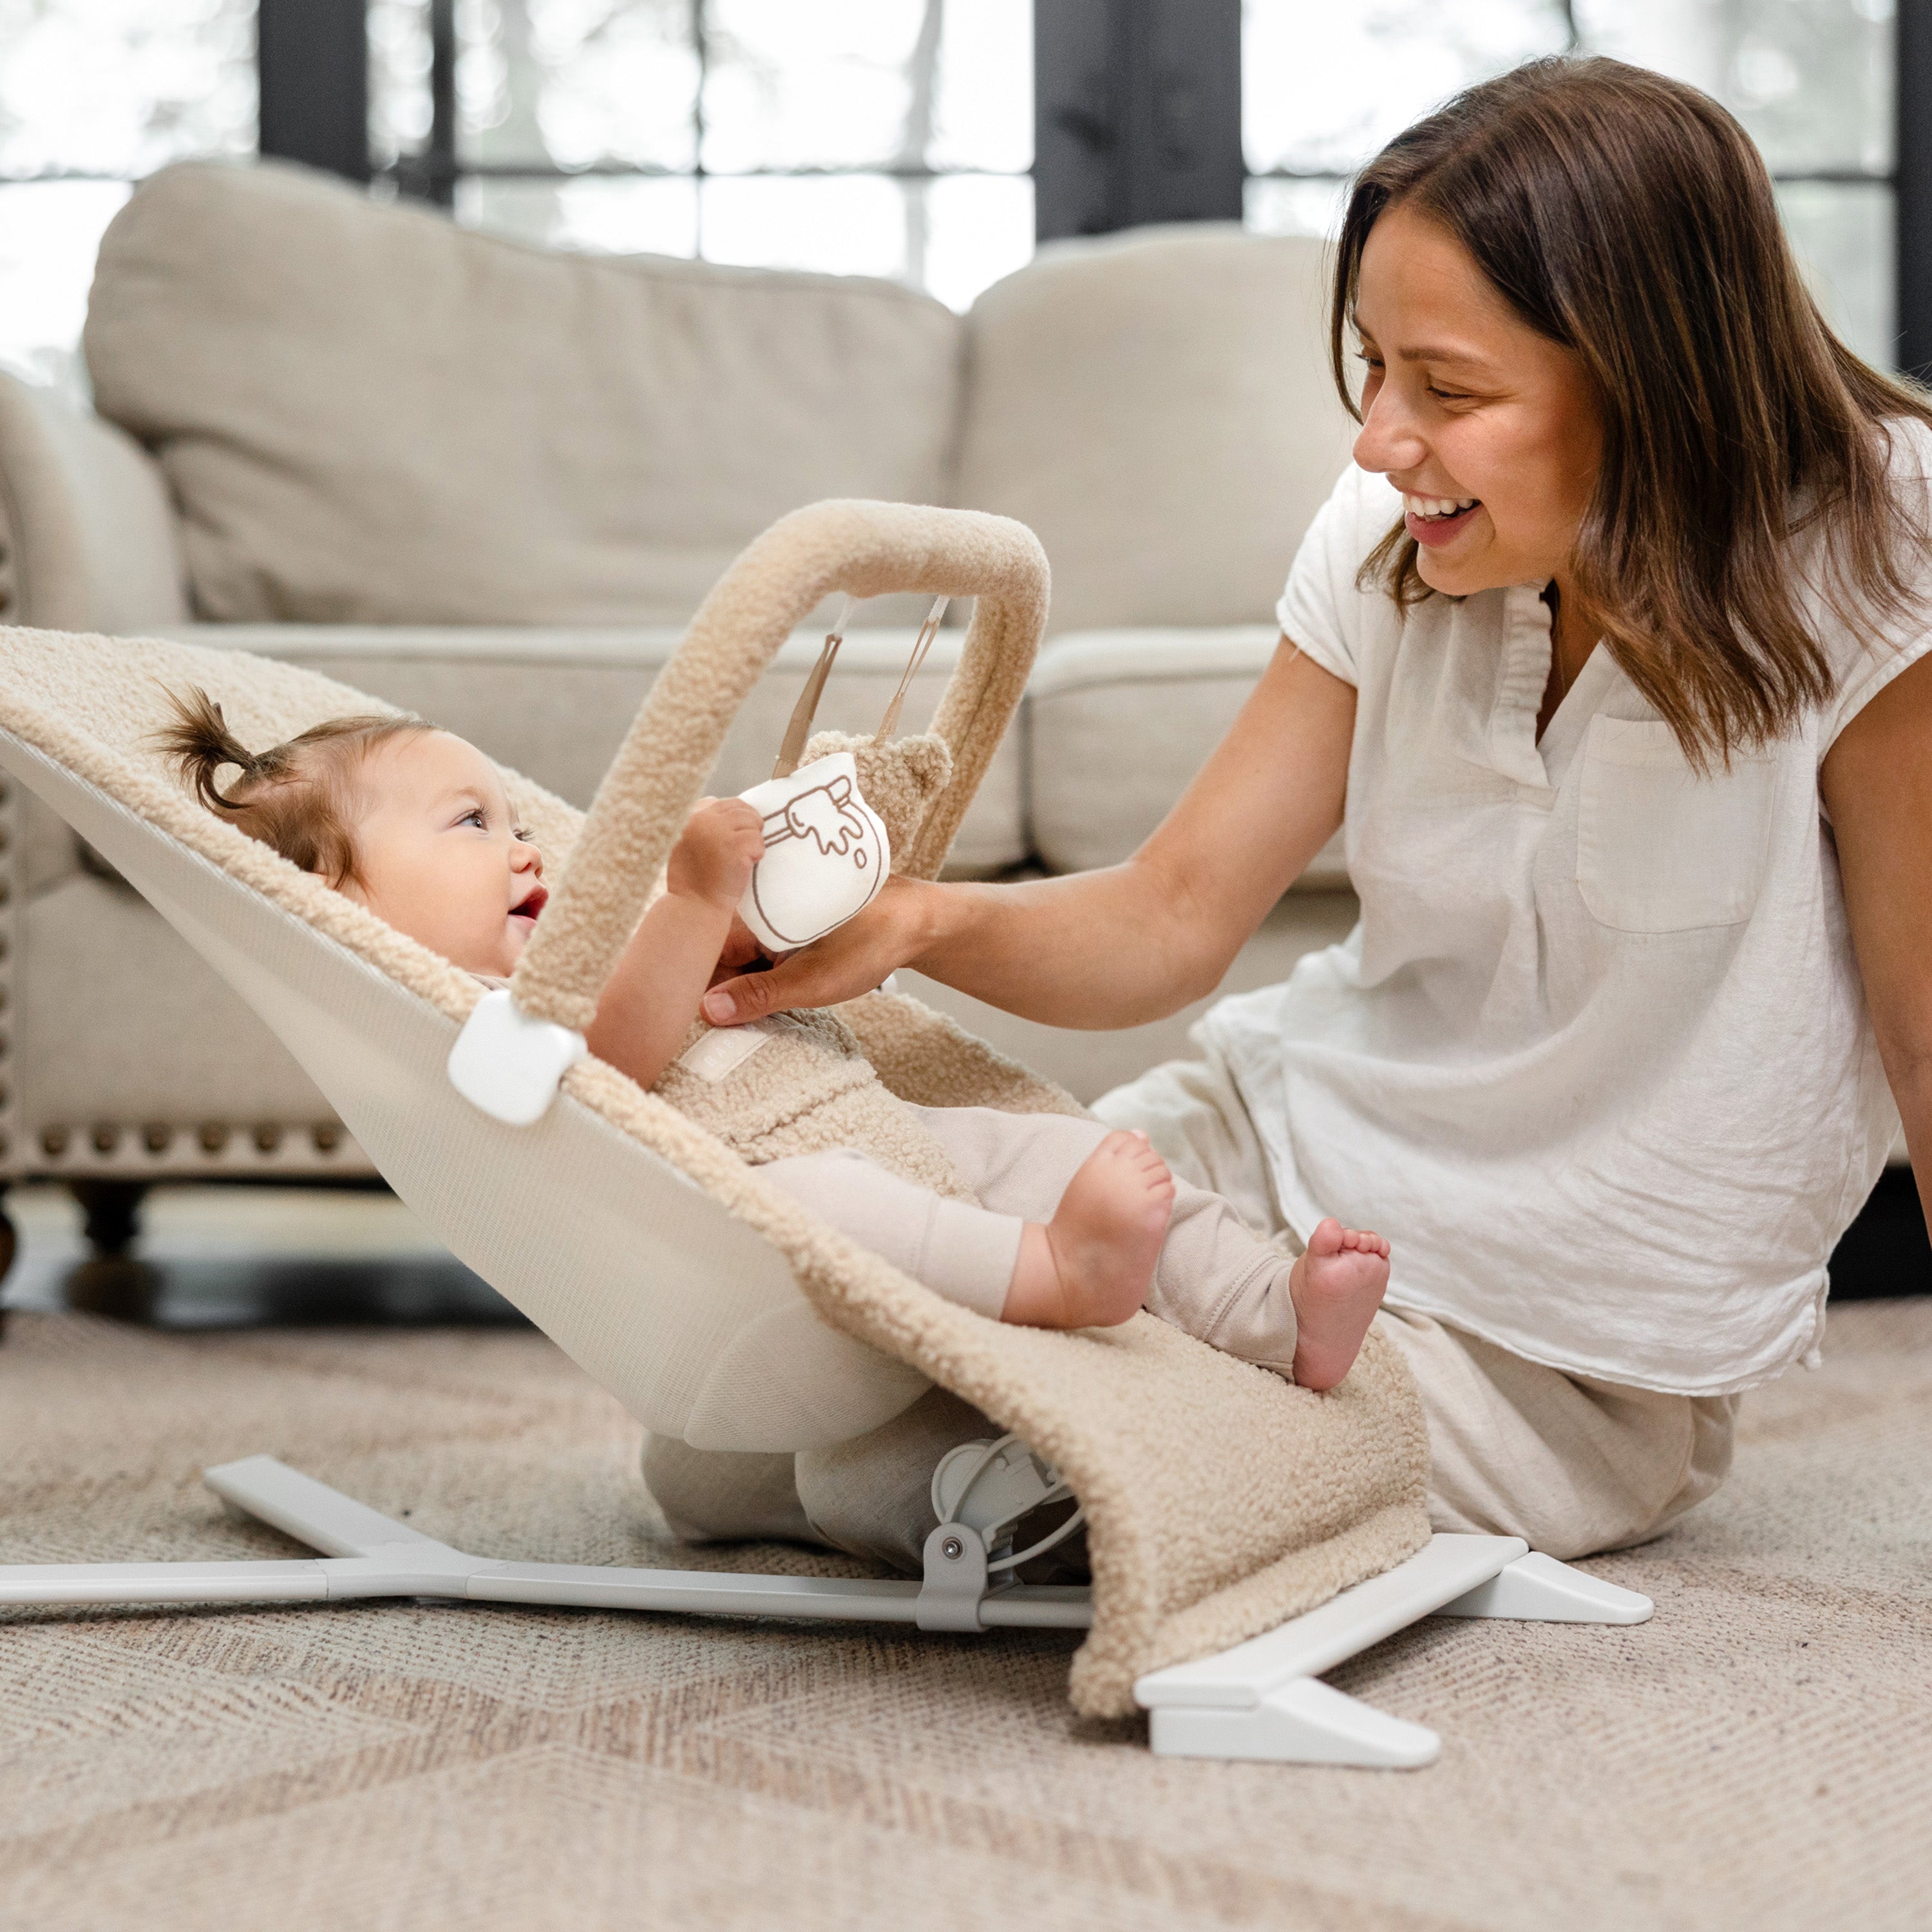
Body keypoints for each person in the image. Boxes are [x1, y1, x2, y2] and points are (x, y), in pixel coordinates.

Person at [693, 56, 1932, 1566]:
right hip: (1267, 1149)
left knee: (897, 1476)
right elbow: (1172, 916)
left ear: (1648, 381)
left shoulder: (1880, 554)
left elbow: (1926, 1035)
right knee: (725, 1422)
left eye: (1450, 390)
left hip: (1550, 1348)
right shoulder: (1394, 535)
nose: (1378, 441)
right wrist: (915, 927)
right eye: (1374, 369)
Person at [155, 687, 1394, 1401]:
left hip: (887, 1129)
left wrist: (748, 910)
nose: (528, 847)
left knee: (1072, 1146)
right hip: (768, 1203)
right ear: (345, 905)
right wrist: (690, 907)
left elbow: (700, 991)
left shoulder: (567, 935)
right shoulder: (471, 1022)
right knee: (831, 1206)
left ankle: (1272, 1314)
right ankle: (1056, 1279)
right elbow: (614, 1059)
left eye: (517, 817)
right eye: (472, 824)